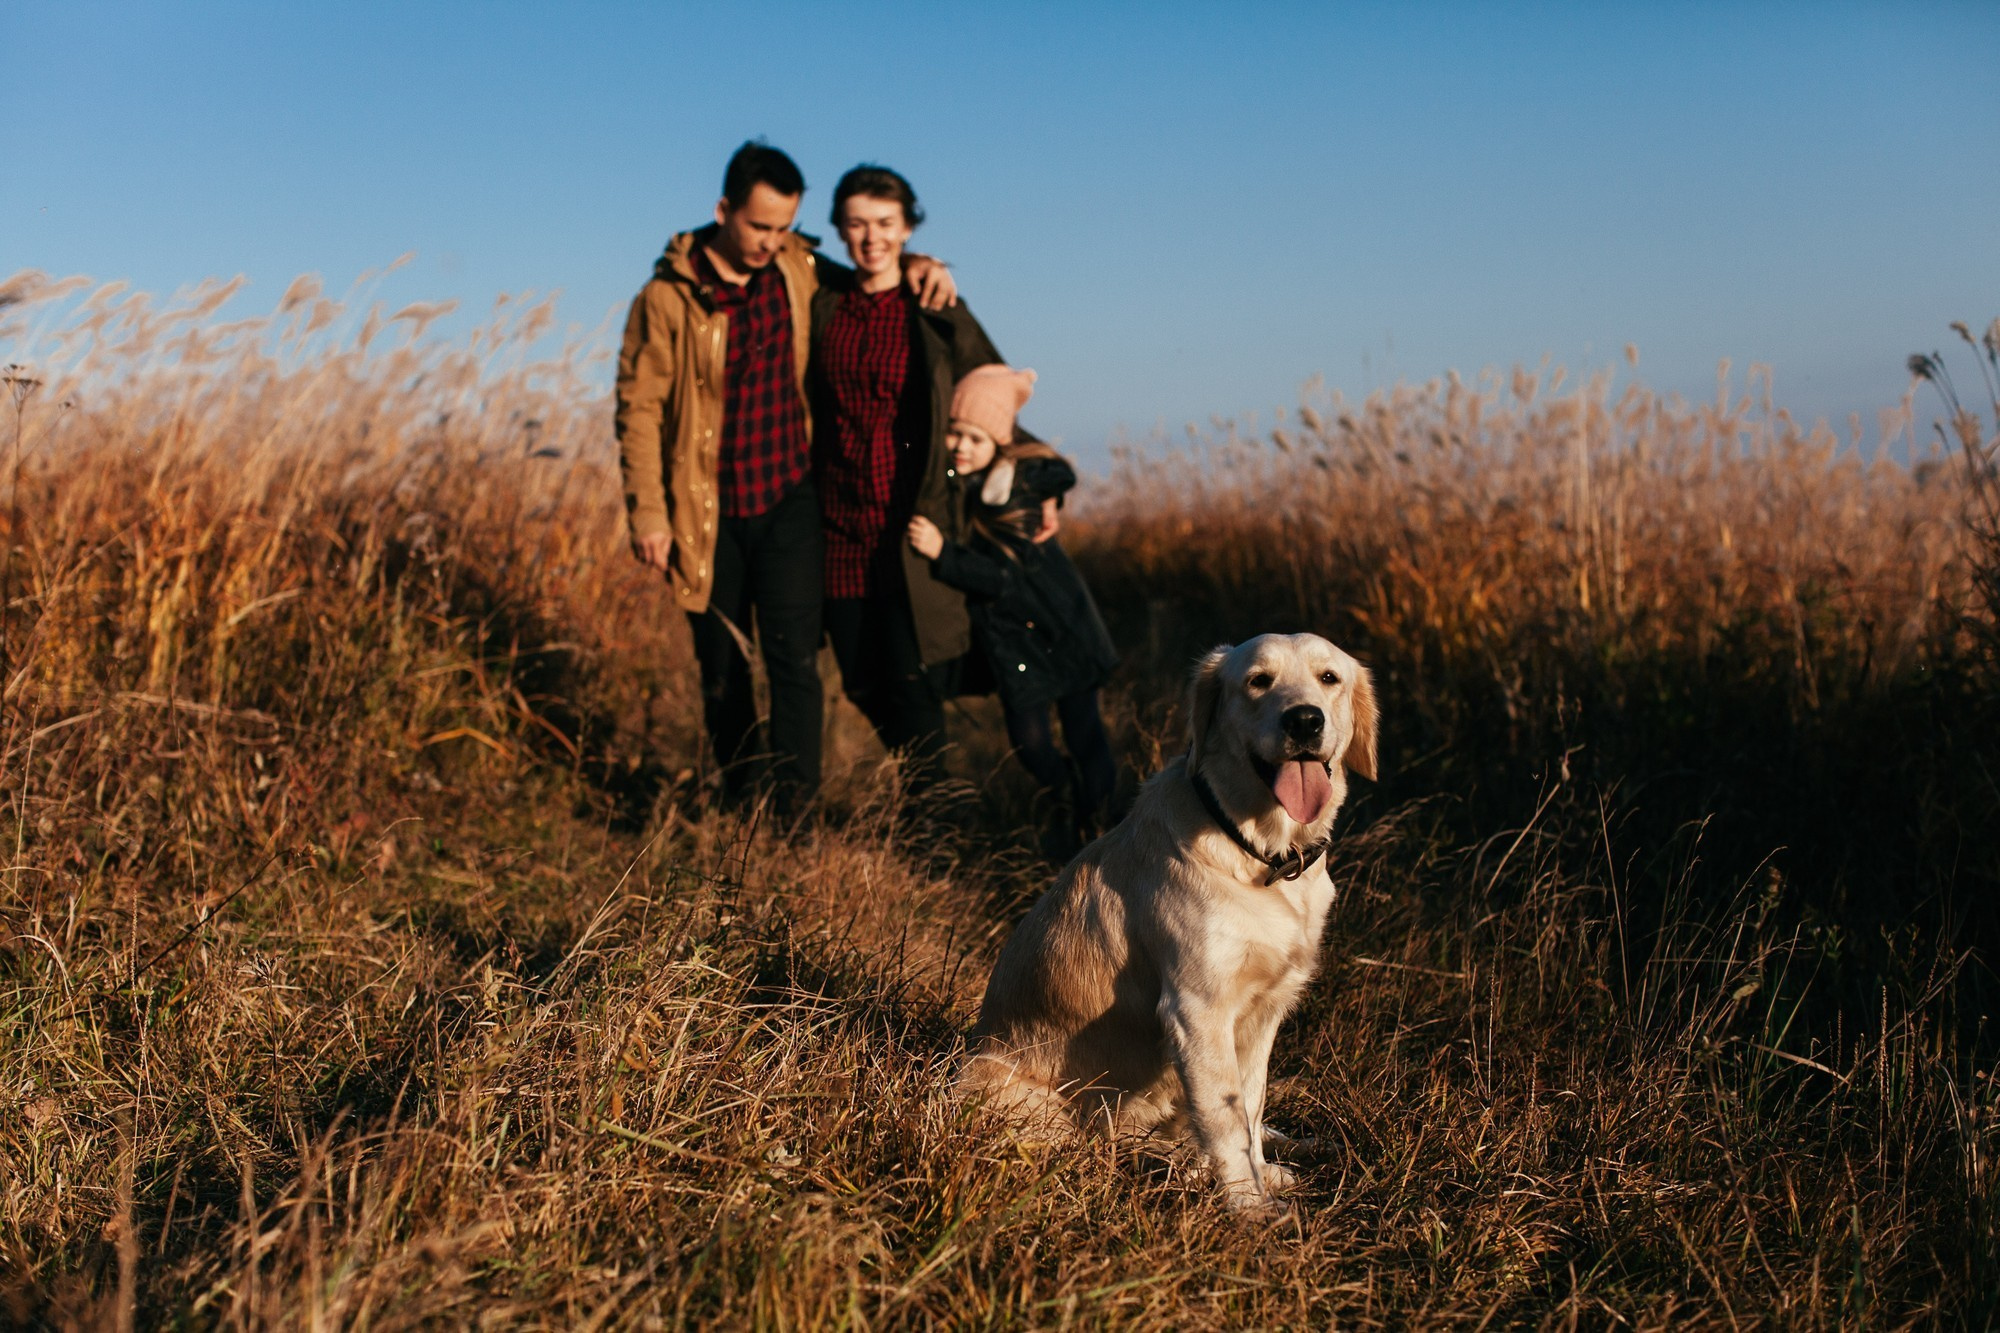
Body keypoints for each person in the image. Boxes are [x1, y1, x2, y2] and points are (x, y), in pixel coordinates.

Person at [614, 142, 955, 817]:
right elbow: (639, 408)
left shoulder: (798, 268)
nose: (773, 242)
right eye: (759, 227)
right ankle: (745, 802)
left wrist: (920, 261)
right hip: (704, 515)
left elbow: (872, 272)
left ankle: (795, 815)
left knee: (796, 663)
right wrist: (647, 514)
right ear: (723, 211)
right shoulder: (666, 297)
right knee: (723, 669)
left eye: (784, 228)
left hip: (788, 501)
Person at [809, 164, 1039, 791]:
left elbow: (997, 392)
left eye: (886, 223)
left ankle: (935, 811)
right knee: (857, 675)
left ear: (908, 227)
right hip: (837, 521)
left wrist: (1035, 481)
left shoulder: (936, 306)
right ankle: (929, 780)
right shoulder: (822, 298)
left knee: (909, 675)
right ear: (838, 228)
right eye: (856, 224)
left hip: (911, 520)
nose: (871, 237)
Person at [906, 365, 1120, 842]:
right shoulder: (974, 479)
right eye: (955, 433)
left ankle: (1100, 826)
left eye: (975, 438)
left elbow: (1002, 575)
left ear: (1000, 443)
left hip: (1060, 631)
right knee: (1031, 743)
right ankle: (1070, 805)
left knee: (1084, 734)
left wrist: (943, 553)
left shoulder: (1012, 493)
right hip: (1020, 643)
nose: (961, 446)